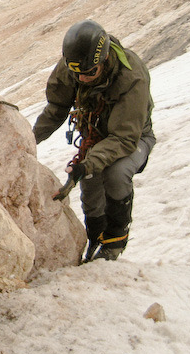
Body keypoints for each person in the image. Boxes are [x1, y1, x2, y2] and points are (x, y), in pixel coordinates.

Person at [33, 20, 155, 262]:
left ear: (105, 59)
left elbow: (124, 137)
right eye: (78, 74)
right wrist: (27, 139)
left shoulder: (131, 77)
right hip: (96, 137)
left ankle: (114, 242)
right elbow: (57, 108)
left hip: (134, 137)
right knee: (89, 186)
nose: (83, 79)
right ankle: (95, 239)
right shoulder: (75, 65)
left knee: (116, 173)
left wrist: (87, 163)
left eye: (90, 73)